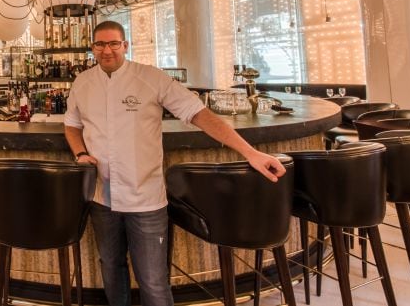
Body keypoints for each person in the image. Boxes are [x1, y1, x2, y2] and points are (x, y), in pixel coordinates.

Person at [63, 20, 286, 306]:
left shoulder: (151, 78)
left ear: (125, 45)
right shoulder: (83, 82)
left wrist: (250, 153)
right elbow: (72, 125)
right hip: (100, 196)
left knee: (154, 282)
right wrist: (81, 153)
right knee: (110, 267)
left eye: (114, 43)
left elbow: (199, 114)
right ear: (92, 47)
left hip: (146, 197)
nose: (107, 50)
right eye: (100, 44)